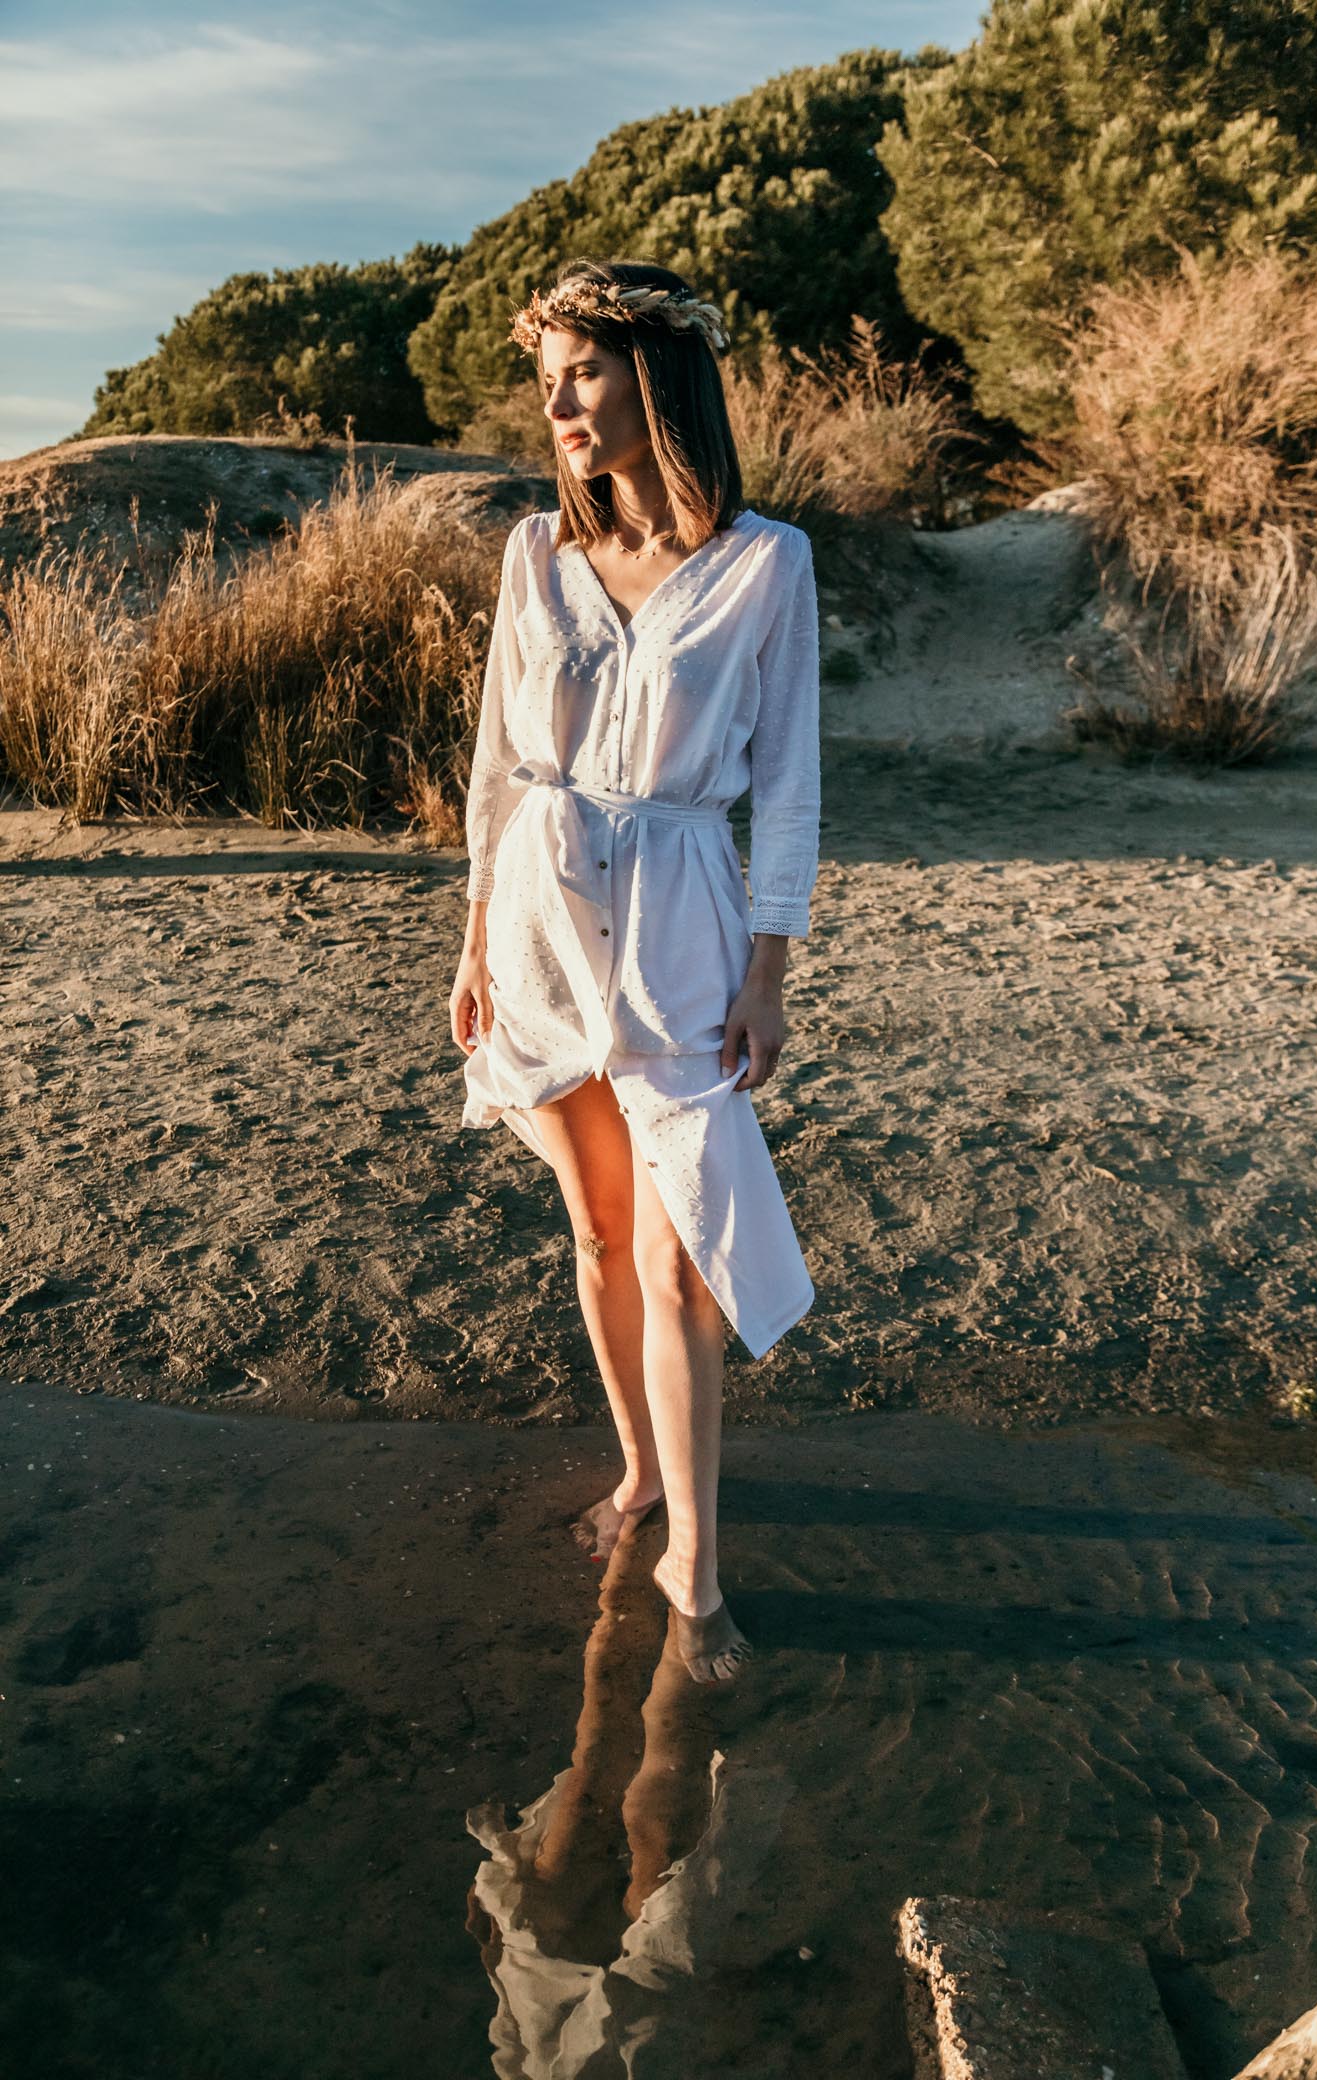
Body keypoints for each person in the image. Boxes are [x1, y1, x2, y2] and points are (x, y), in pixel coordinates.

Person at [449, 256, 821, 1683]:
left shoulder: (766, 565)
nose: (557, 405)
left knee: (681, 1259)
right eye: (546, 377)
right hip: (538, 925)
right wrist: (473, 940)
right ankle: (640, 1473)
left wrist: (770, 972)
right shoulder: (533, 556)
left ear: (656, 377)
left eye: (583, 372)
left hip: (682, 935)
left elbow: (786, 787)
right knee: (601, 1233)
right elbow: (496, 765)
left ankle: (696, 1568)